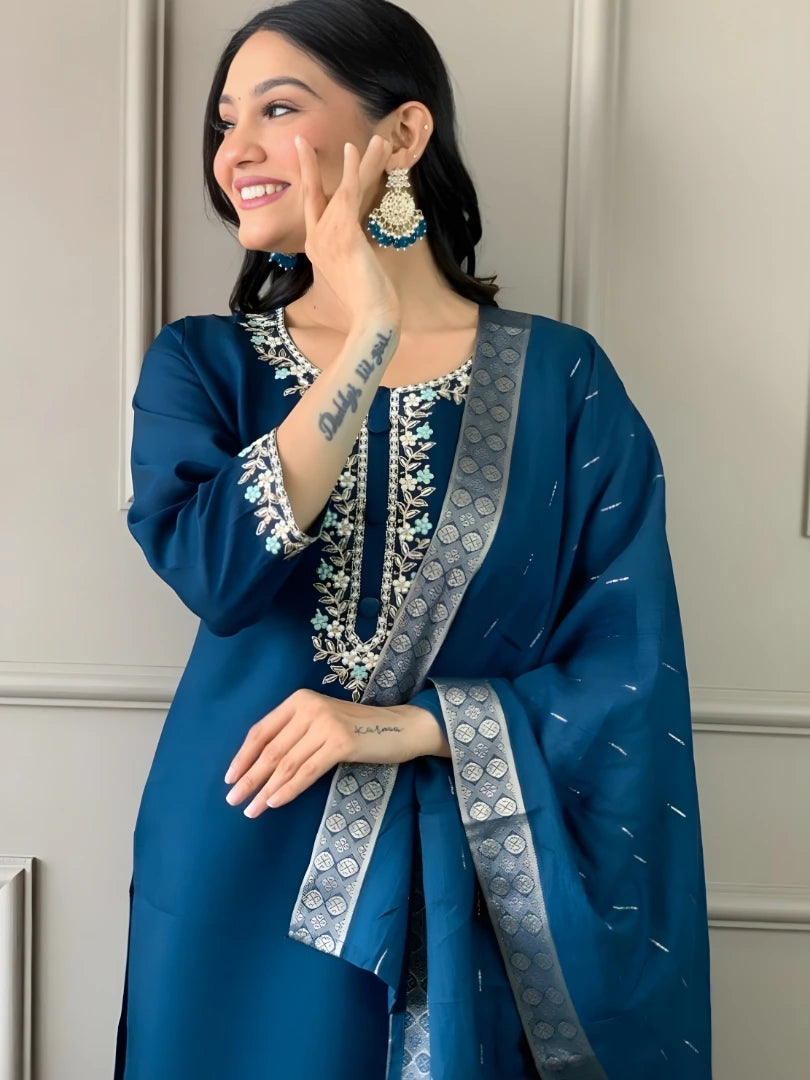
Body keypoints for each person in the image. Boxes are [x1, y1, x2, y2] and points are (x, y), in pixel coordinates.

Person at [113, 1, 712, 1077]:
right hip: (240, 853)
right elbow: (216, 572)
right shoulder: (206, 366)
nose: (233, 151)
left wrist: (419, 727)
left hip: (480, 870)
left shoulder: (564, 385)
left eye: (278, 108)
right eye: (222, 121)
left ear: (401, 136)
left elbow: (626, 670)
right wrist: (365, 341)